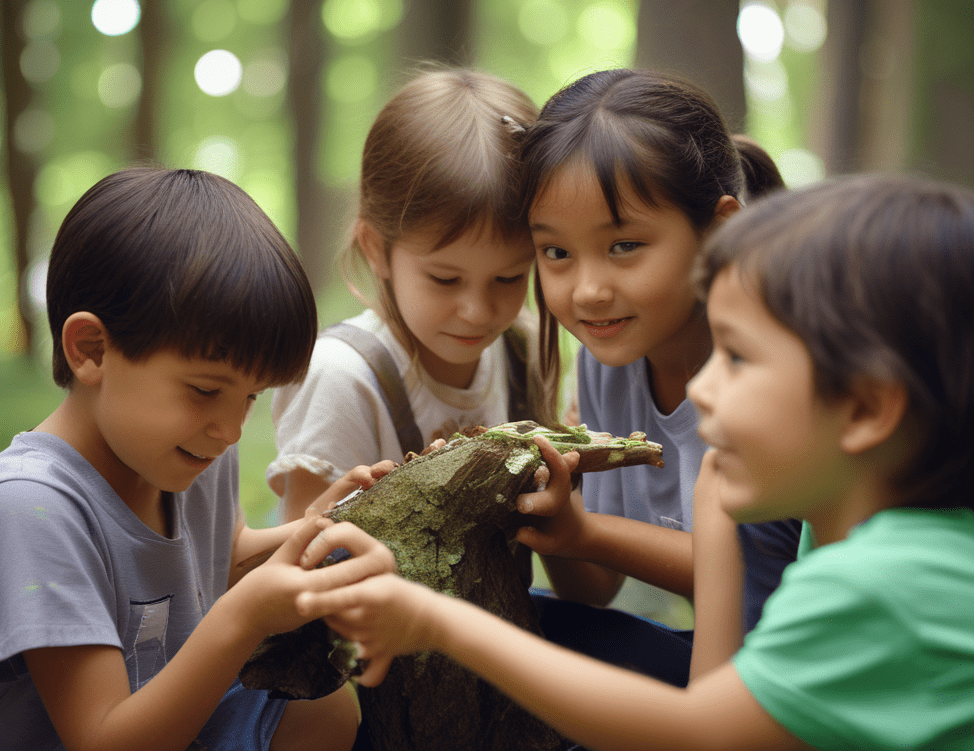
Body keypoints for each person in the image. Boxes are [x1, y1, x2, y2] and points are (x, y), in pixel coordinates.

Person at [295, 174, 974, 750]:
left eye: (737, 358)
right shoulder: (893, 549)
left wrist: (434, 621)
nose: (705, 386)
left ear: (865, 409)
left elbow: (692, 733)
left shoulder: (883, 583)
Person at [0, 168, 396, 751]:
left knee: (316, 709)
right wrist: (246, 616)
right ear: (91, 350)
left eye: (251, 398)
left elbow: (221, 559)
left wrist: (322, 531)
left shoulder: (188, 454)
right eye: (206, 390)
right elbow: (102, 739)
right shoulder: (27, 509)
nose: (232, 430)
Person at [512, 68, 800, 685]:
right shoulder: (605, 361)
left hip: (808, 675)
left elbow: (760, 572)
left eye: (623, 246)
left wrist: (589, 531)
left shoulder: (780, 375)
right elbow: (594, 588)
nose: (588, 292)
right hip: (725, 663)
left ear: (719, 231)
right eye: (556, 253)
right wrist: (547, 508)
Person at [267, 68, 544, 522]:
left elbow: (585, 579)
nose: (477, 312)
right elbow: (302, 572)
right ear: (376, 248)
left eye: (509, 278)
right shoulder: (342, 379)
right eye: (444, 279)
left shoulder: (520, 350)